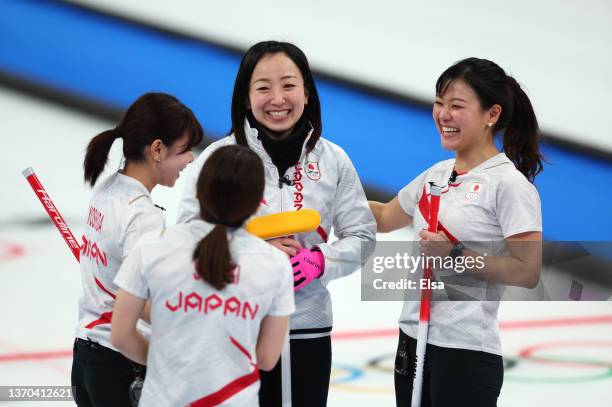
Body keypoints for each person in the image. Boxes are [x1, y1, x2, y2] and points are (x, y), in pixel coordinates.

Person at [176, 41, 376, 406]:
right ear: (245, 97)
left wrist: (320, 261)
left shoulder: (333, 160)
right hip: (234, 326)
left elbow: (362, 235)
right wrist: (252, 254)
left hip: (307, 329)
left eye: (288, 85)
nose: (277, 99)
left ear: (307, 92)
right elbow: (188, 237)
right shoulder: (218, 158)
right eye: (263, 87)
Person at [369, 57, 543, 407]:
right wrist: (328, 200)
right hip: (413, 339)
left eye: (456, 106)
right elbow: (386, 216)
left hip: (464, 352)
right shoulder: (436, 173)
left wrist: (455, 254)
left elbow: (527, 271)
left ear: (491, 114)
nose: (443, 115)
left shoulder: (508, 185)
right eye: (439, 103)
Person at [110, 145, 295, 406]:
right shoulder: (275, 264)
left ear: (198, 191)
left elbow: (119, 335)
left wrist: (163, 359)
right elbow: (266, 358)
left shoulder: (152, 246)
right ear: (256, 204)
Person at [72, 92, 203, 407]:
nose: (190, 159)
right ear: (158, 149)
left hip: (85, 359)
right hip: (121, 366)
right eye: (185, 150)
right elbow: (141, 303)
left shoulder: (108, 188)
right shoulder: (142, 215)